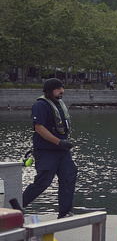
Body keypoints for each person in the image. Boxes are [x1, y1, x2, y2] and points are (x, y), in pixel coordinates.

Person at [22, 78, 78, 218]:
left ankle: (65, 212)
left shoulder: (59, 104)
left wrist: (63, 144)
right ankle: (15, 208)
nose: (62, 91)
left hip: (62, 151)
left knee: (68, 177)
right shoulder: (40, 105)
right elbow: (39, 127)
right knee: (42, 182)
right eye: (58, 89)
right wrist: (59, 142)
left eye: (62, 88)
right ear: (50, 90)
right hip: (47, 151)